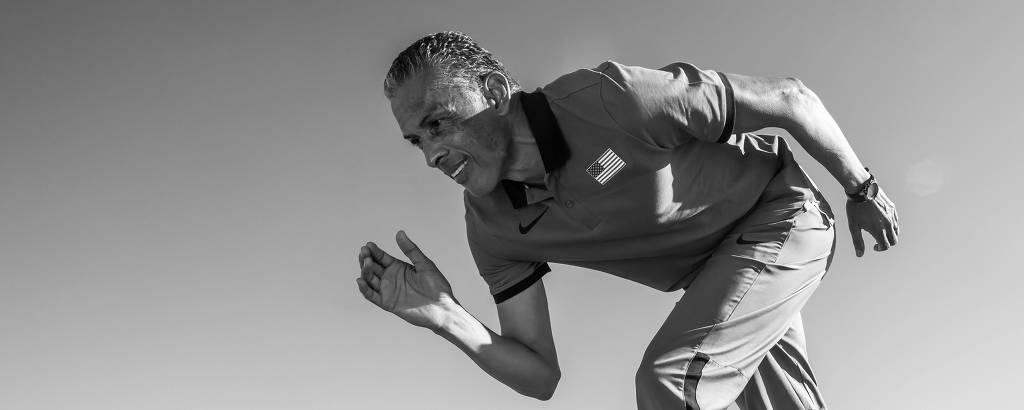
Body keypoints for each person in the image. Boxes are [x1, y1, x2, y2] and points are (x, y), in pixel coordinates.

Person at [356, 31, 899, 410]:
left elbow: (790, 98)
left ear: (495, 93)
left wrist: (862, 188)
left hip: (782, 216)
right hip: (715, 277)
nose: (431, 156)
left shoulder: (612, 100)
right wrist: (448, 317)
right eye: (416, 141)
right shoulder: (491, 225)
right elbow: (541, 376)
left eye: (439, 123)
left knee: (670, 384)